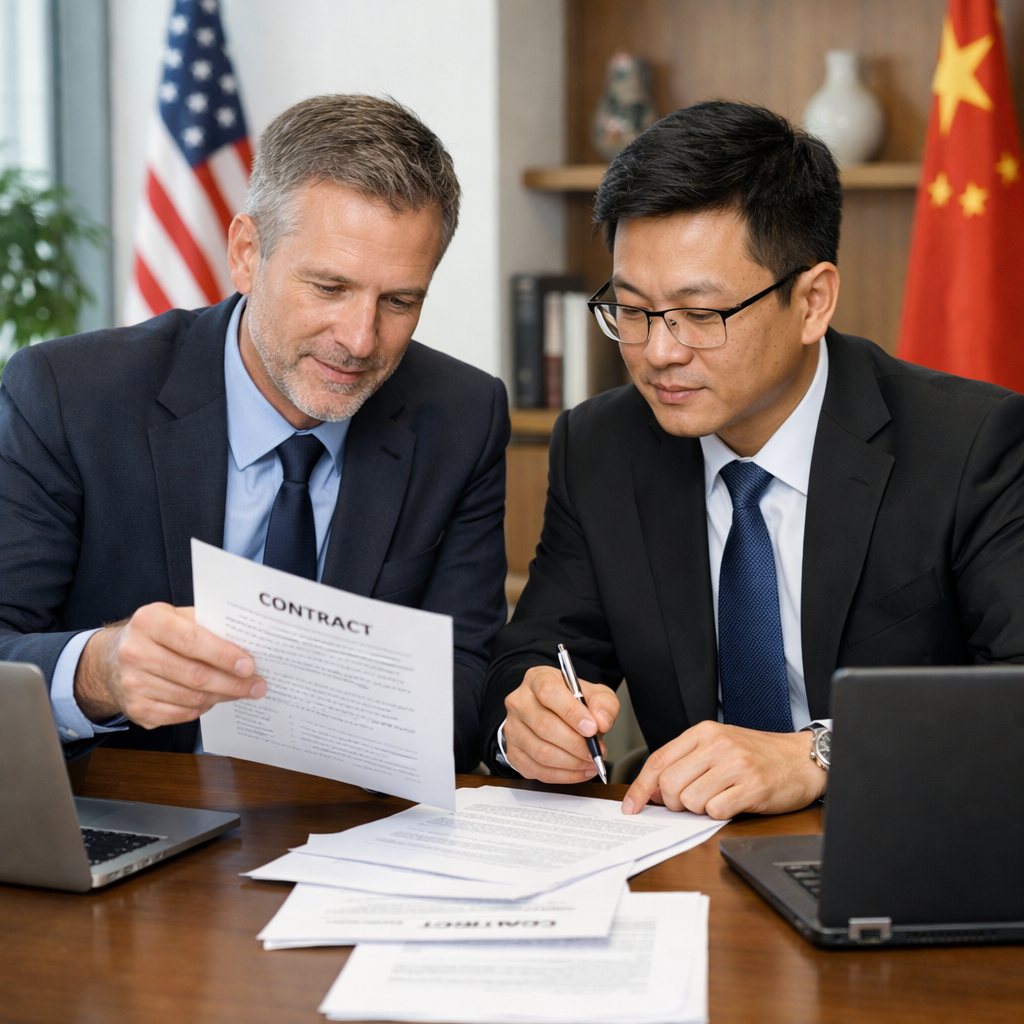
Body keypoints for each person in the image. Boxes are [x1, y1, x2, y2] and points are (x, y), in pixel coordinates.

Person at [480, 101, 1024, 818]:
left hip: (902, 838)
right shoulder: (603, 445)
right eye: (633, 308)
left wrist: (822, 751)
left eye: (701, 315)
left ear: (812, 302)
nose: (658, 351)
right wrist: (529, 721)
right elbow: (538, 656)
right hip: (690, 856)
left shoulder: (968, 443)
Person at [0, 95, 509, 773]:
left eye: (399, 301)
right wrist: (99, 672)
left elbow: (466, 684)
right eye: (328, 287)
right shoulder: (70, 395)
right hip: (133, 814)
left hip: (347, 829)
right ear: (246, 253)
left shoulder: (463, 416)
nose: (359, 340)